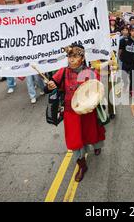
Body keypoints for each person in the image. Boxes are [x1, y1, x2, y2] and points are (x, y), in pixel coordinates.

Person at [45, 44, 106, 182]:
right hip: (70, 112)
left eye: (75, 56)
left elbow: (98, 90)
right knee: (74, 141)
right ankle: (82, 165)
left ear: (82, 57)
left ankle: (96, 147)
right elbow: (51, 84)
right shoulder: (63, 72)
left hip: (88, 111)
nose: (71, 60)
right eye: (69, 56)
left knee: (93, 133)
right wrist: (49, 86)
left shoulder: (90, 72)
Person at [118, 25, 134, 96]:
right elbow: (119, 50)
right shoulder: (124, 40)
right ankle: (125, 85)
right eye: (132, 31)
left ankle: (131, 90)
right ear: (130, 31)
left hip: (133, 63)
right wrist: (119, 58)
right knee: (124, 77)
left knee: (132, 78)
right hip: (125, 62)